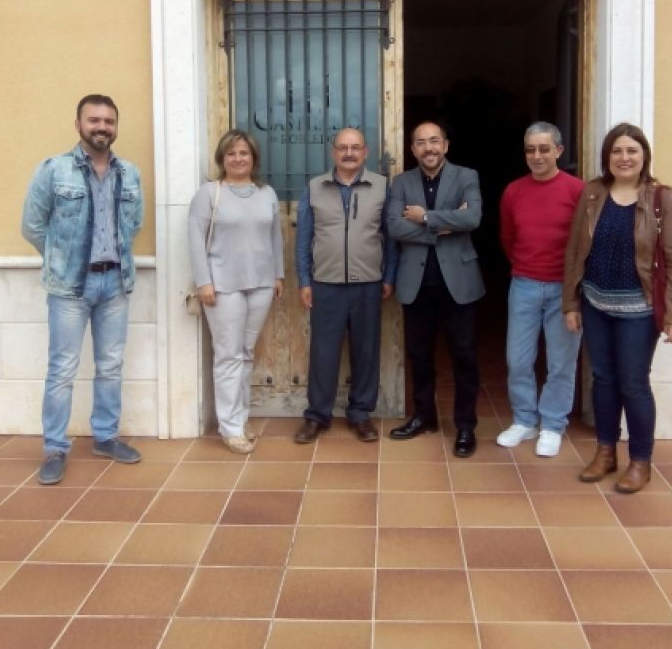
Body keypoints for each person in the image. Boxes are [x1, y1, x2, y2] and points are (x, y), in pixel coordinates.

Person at [21, 95, 144, 485]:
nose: (102, 127)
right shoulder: (54, 170)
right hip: (71, 286)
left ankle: (105, 436)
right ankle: (55, 447)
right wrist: (62, 258)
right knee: (62, 370)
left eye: (108, 120)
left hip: (115, 283)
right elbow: (32, 226)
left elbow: (133, 225)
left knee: (110, 366)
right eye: (94, 120)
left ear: (115, 126)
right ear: (78, 124)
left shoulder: (130, 173)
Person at [563, 122, 672, 493]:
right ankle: (605, 451)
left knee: (633, 384)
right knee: (602, 379)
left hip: (639, 310)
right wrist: (571, 302)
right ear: (607, 157)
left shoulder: (662, 198)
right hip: (595, 303)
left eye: (632, 151)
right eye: (617, 151)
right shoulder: (592, 194)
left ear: (644, 156)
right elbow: (574, 252)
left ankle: (640, 461)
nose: (624, 158)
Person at [388, 121, 485, 458]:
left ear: (446, 145)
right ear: (413, 149)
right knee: (419, 356)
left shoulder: (466, 176)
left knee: (464, 356)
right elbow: (395, 226)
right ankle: (424, 416)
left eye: (434, 141)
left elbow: (473, 218)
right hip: (416, 285)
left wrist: (426, 216)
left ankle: (465, 426)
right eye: (420, 143)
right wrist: (442, 227)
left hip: (459, 283)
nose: (428, 148)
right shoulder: (401, 182)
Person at [294, 128, 397, 443]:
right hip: (326, 283)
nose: (349, 153)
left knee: (366, 352)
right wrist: (304, 280)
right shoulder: (315, 187)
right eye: (343, 148)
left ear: (365, 152)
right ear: (333, 152)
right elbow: (303, 239)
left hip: (369, 283)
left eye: (355, 148)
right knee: (323, 353)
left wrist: (389, 276)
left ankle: (360, 414)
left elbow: (391, 237)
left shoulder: (381, 186)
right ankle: (317, 416)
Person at [188, 129, 284, 454]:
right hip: (222, 286)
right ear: (222, 158)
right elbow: (195, 241)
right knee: (228, 356)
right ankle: (229, 428)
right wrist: (204, 282)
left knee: (245, 353)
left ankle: (240, 418)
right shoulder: (208, 194)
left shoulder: (266, 193)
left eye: (244, 153)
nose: (238, 158)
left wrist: (278, 276)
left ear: (253, 158)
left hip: (261, 284)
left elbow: (274, 238)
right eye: (231, 154)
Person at [497, 122, 584, 457]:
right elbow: (508, 238)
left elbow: (585, 242)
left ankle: (552, 424)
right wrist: (526, 266)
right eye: (530, 149)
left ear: (559, 151)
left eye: (544, 149)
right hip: (525, 285)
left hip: (565, 289)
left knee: (562, 362)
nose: (536, 156)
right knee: (518, 360)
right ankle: (524, 420)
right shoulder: (513, 191)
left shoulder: (578, 191)